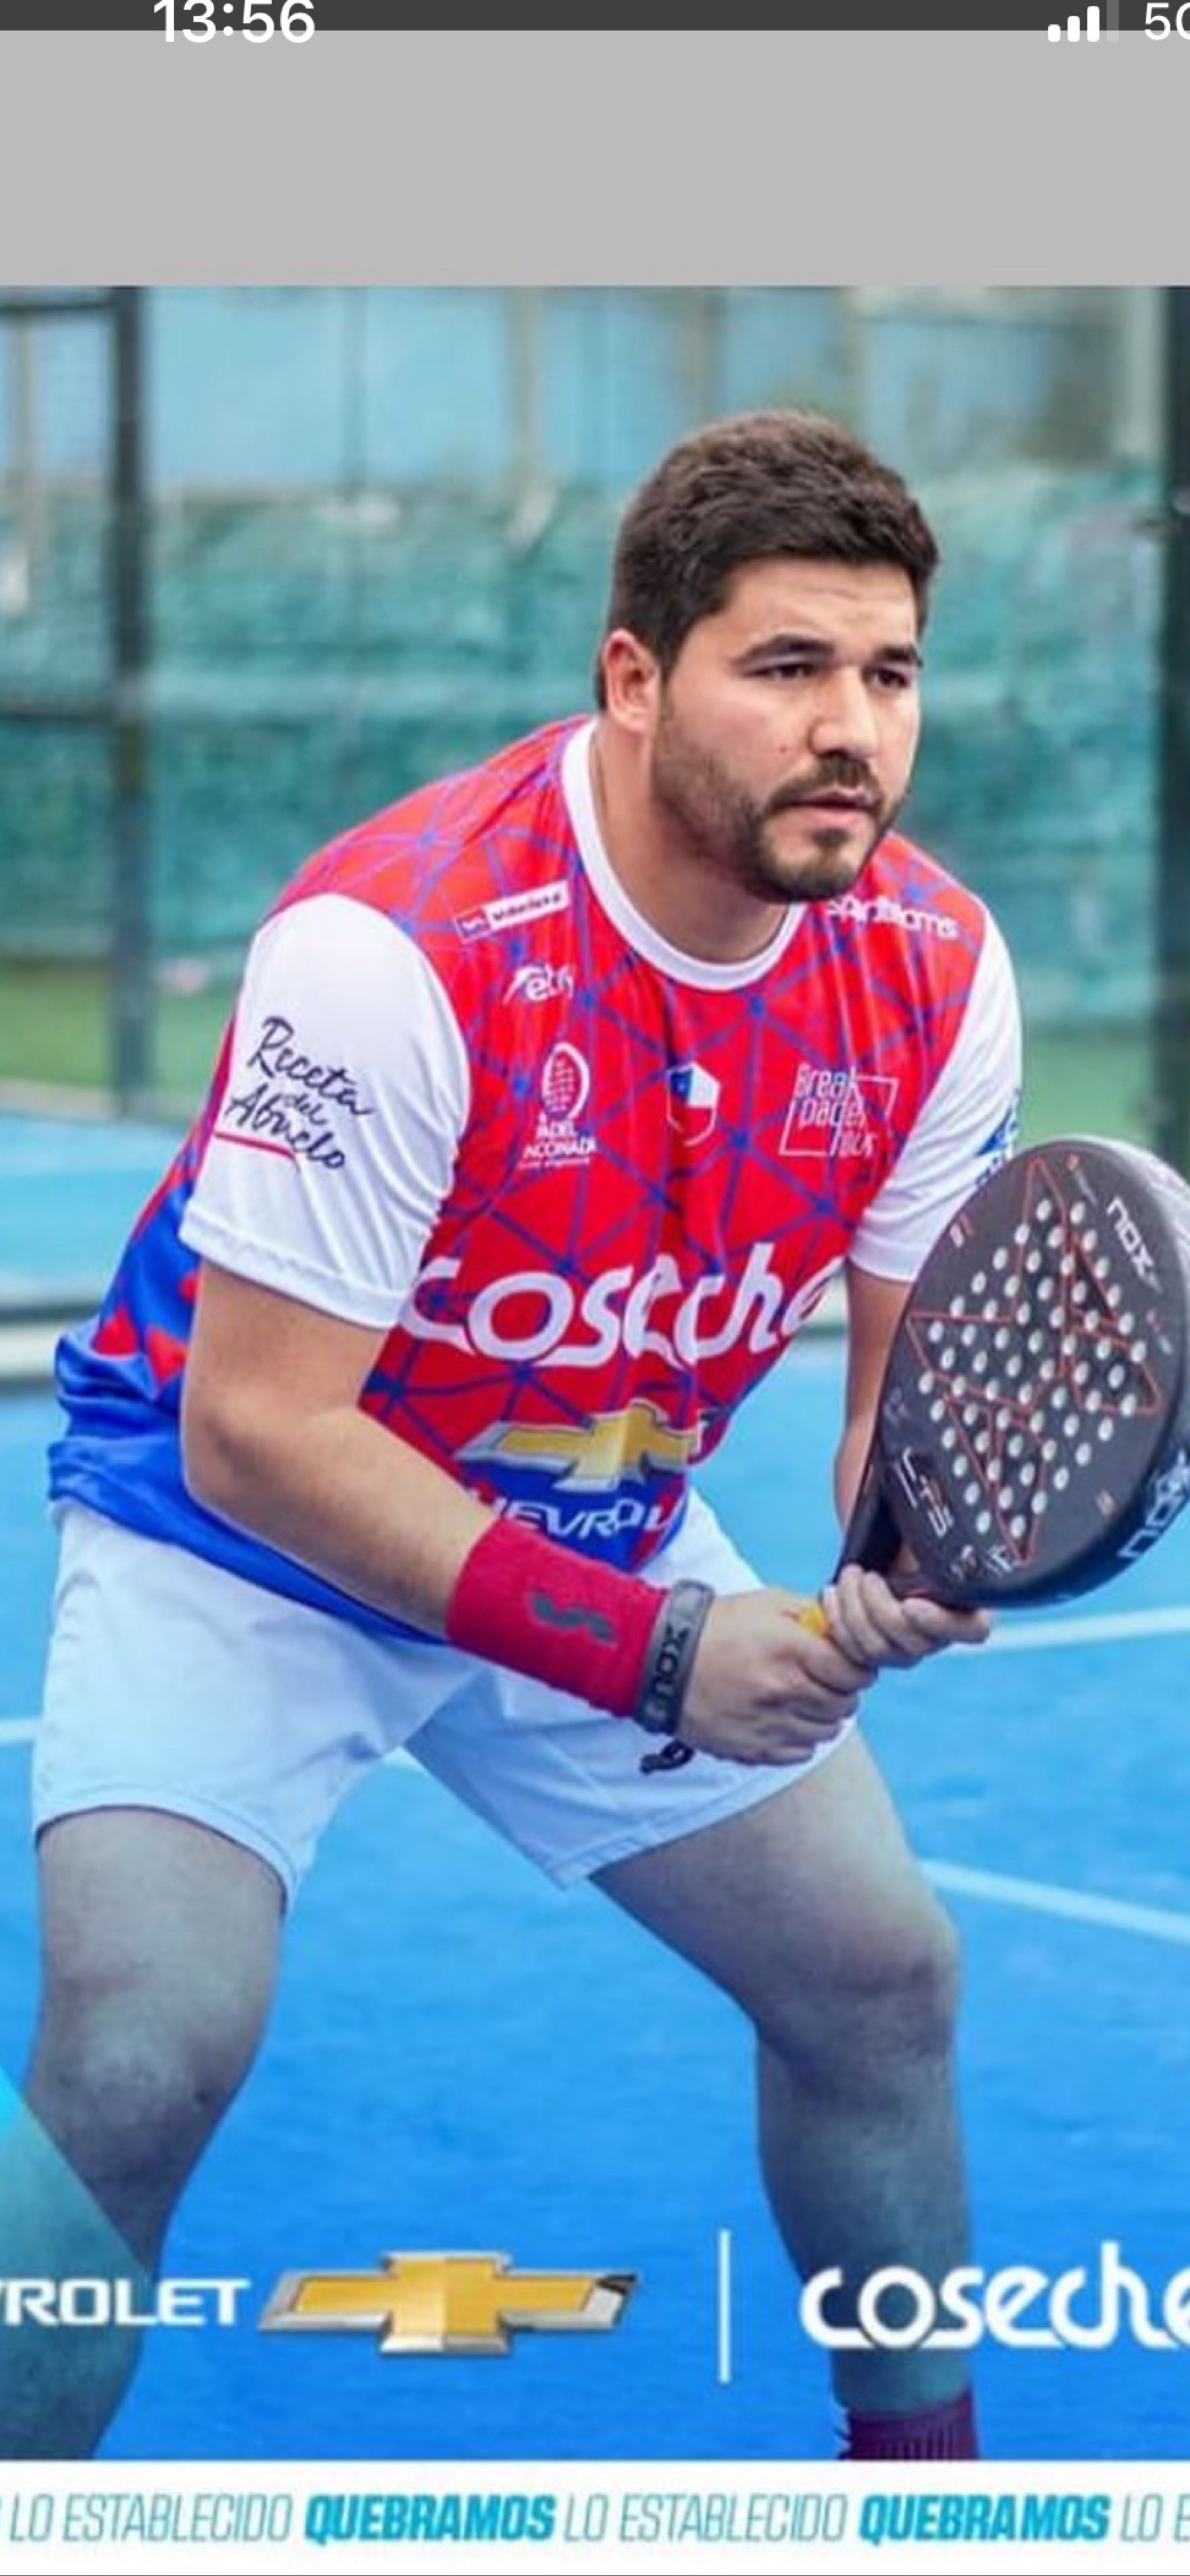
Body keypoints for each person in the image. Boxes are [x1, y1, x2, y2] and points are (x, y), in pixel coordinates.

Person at [11, 407, 1020, 2461]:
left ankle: (925, 2505)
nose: (852, 729)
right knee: (136, 2052)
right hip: (243, 1545)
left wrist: (908, 1553)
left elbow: (886, 1417)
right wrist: (655, 1653)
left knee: (879, 1977)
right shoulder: (392, 949)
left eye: (890, 672)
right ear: (633, 677)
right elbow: (258, 1429)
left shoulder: (934, 969)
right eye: (787, 666)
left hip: (593, 1509)